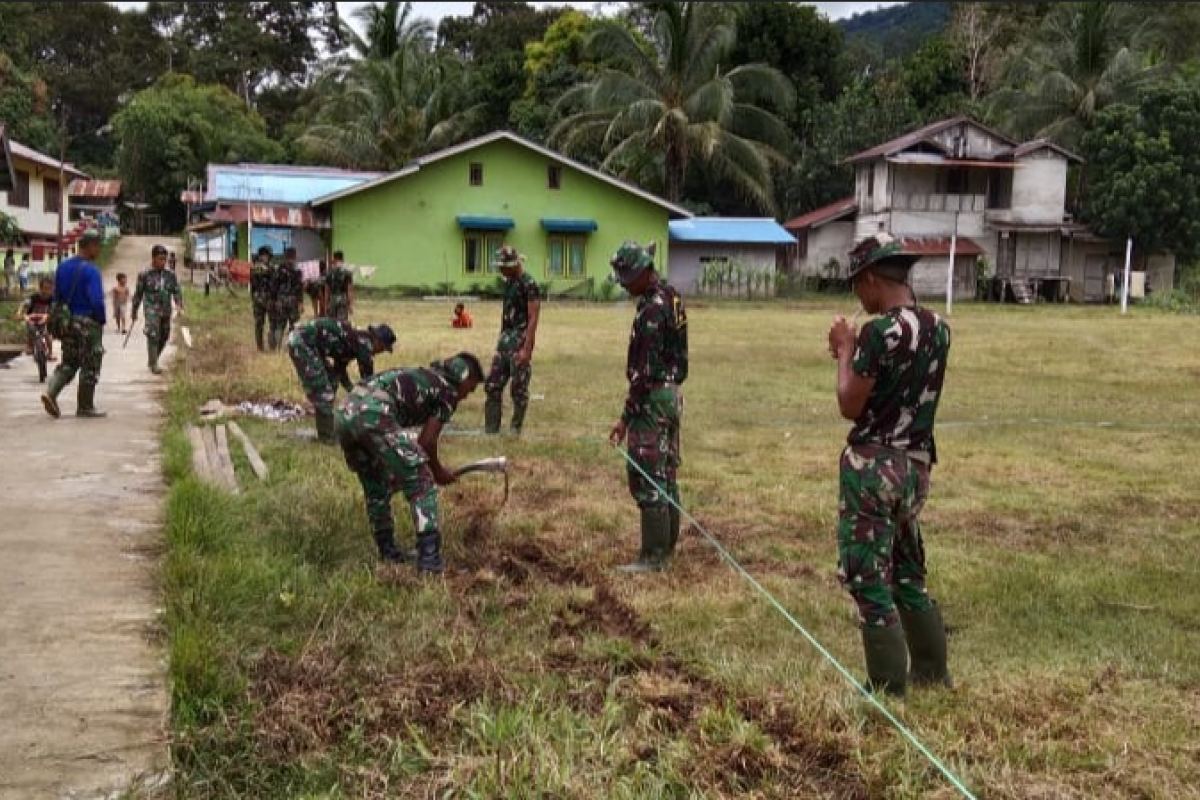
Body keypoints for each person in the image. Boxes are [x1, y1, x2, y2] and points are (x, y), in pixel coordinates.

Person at [826, 232, 953, 698]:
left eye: (858, 286)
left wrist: (845, 349)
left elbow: (849, 403)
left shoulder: (881, 333)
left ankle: (885, 686)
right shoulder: (939, 328)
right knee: (907, 571)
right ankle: (931, 671)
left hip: (874, 468)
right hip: (916, 469)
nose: (858, 297)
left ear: (873, 279)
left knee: (868, 575)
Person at [335, 353, 484, 573]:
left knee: (376, 484)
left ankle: (388, 553)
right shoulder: (447, 391)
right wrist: (438, 471)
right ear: (463, 378)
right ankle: (430, 563)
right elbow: (426, 441)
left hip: (344, 412)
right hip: (374, 413)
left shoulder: (426, 375)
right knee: (422, 482)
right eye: (469, 389)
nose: (465, 396)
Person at [607, 241, 688, 573]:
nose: (623, 283)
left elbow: (643, 373)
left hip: (653, 400)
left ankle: (653, 557)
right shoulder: (672, 297)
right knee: (666, 473)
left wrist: (625, 418)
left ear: (642, 272)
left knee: (647, 475)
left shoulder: (653, 309)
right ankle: (665, 549)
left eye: (626, 276)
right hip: (671, 395)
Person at [287, 318, 396, 444]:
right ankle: (327, 438)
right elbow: (369, 382)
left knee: (331, 380)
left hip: (310, 344)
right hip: (302, 343)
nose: (381, 352)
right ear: (378, 341)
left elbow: (340, 370)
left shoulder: (356, 339)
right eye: (383, 348)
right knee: (323, 391)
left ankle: (328, 422)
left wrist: (351, 390)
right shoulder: (365, 345)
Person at [41, 228, 107, 419]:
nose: (99, 251)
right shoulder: (91, 271)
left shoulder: (62, 267)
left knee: (70, 362)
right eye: (98, 246)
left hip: (67, 322)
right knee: (91, 363)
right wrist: (101, 320)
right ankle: (85, 406)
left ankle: (51, 392)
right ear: (91, 246)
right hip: (87, 323)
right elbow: (96, 301)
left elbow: (57, 296)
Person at [484, 245, 540, 435]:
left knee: (518, 388)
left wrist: (527, 348)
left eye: (502, 266)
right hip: (505, 341)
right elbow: (506, 316)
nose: (500, 270)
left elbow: (533, 316)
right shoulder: (508, 282)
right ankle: (491, 429)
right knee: (492, 385)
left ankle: (515, 429)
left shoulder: (529, 283)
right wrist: (499, 341)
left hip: (520, 341)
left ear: (513, 265)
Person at [131, 244, 185, 375]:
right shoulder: (144, 274)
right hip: (151, 309)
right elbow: (138, 294)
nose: (162, 262)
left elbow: (176, 291)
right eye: (160, 259)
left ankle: (153, 359)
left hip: (166, 309)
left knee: (164, 335)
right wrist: (134, 311)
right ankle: (154, 363)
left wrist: (179, 304)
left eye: (164, 259)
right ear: (153, 258)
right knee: (153, 334)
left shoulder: (170, 275)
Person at [270, 246, 304, 350]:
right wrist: (301, 303)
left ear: (285, 256)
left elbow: (274, 286)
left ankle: (278, 348)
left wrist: (273, 300)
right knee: (294, 324)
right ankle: (290, 346)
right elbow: (299, 289)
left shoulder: (279, 269)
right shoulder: (297, 271)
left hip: (281, 300)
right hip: (293, 300)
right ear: (295, 256)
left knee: (280, 324)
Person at [16, 277, 55, 360]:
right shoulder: (34, 297)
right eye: (44, 288)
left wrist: (49, 316)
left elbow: (54, 310)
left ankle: (50, 353)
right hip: (32, 318)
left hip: (45, 319)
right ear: (40, 288)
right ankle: (30, 346)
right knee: (31, 329)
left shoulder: (52, 299)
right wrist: (19, 313)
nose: (46, 291)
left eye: (49, 289)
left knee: (47, 335)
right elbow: (23, 304)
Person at [250, 246, 274, 352]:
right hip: (263, 298)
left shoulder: (255, 267)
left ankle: (265, 346)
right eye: (267, 256)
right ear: (262, 255)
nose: (268, 258)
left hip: (261, 298)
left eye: (268, 256)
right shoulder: (264, 268)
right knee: (263, 323)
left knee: (265, 323)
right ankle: (264, 346)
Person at [325, 250, 355, 321]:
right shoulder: (347, 273)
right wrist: (350, 304)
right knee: (342, 323)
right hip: (343, 298)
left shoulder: (329, 272)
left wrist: (326, 304)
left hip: (332, 298)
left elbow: (327, 290)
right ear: (342, 260)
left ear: (334, 259)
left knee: (332, 323)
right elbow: (349, 290)